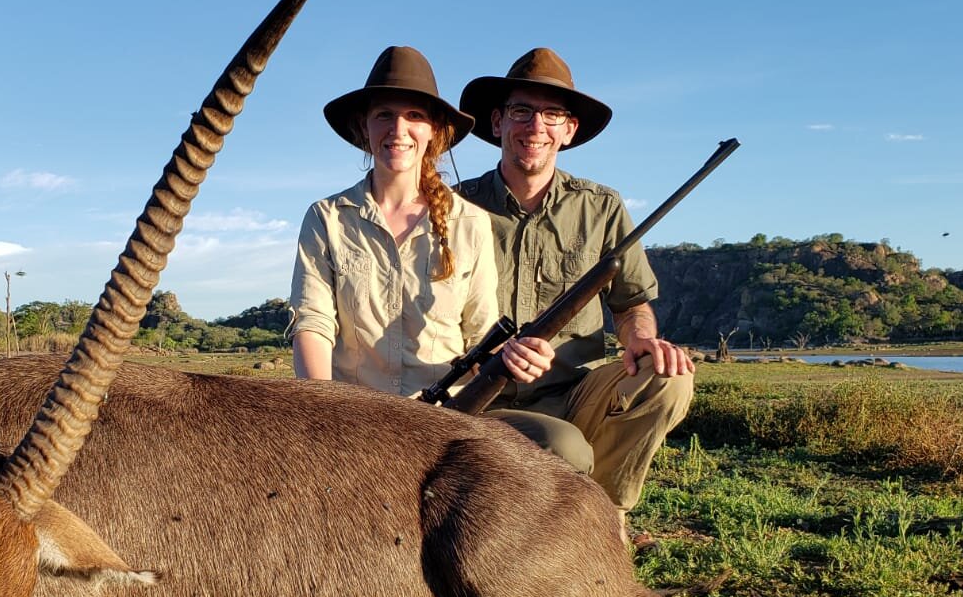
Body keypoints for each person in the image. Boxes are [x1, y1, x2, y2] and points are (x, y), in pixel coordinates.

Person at [288, 46, 592, 468]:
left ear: (434, 130)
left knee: (561, 445)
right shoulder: (327, 218)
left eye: (414, 116)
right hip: (352, 418)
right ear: (364, 126)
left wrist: (513, 356)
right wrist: (323, 414)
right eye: (384, 115)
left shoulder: (469, 222)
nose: (398, 128)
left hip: (446, 421)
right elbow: (313, 323)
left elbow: (482, 333)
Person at [454, 48, 694, 523]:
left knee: (670, 377)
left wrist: (640, 339)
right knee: (562, 450)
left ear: (569, 130)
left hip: (574, 391)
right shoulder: (454, 207)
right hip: (480, 394)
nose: (535, 126)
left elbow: (631, 303)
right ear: (498, 122)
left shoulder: (603, 207)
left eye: (552, 114)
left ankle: (606, 521)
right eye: (522, 111)